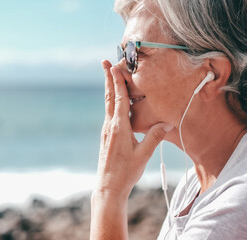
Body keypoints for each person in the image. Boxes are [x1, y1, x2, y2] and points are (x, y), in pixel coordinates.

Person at [90, 0, 247, 239]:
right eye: (122, 53)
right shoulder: (194, 183)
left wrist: (108, 193)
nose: (117, 71)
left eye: (134, 53)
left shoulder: (232, 210)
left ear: (212, 74)